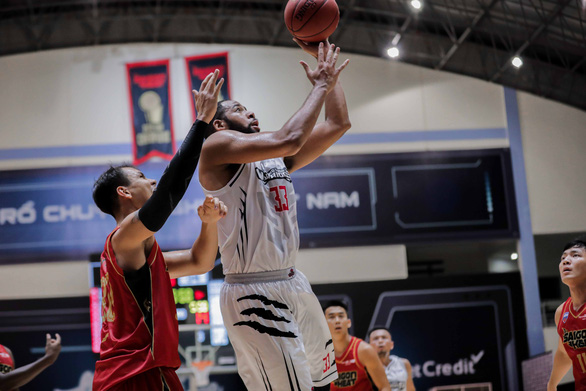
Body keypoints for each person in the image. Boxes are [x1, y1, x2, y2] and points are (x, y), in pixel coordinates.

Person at [198, 41, 350, 390]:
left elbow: (338, 122)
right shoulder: (215, 148)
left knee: (325, 381)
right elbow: (291, 136)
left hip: (293, 280)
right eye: (239, 109)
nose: (250, 113)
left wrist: (323, 66)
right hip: (252, 293)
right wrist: (321, 84)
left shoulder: (274, 156)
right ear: (219, 123)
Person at [91, 70, 227, 391]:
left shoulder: (140, 257)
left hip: (146, 371)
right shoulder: (122, 238)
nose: (151, 180)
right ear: (124, 193)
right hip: (132, 374)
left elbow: (200, 262)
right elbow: (166, 194)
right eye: (141, 177)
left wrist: (208, 224)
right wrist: (201, 123)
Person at [324, 301, 391, 391]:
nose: (337, 321)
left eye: (341, 316)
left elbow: (385, 387)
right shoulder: (321, 354)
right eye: (331, 317)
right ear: (324, 324)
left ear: (348, 322)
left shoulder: (364, 350)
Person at [548, 239, 586, 391]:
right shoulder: (561, 312)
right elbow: (564, 354)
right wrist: (551, 385)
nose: (566, 261)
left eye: (575, 255)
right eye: (563, 258)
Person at [367, 327, 415, 391]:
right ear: (369, 346)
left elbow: (410, 389)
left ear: (391, 345)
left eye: (384, 337)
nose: (380, 341)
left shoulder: (404, 363)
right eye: (376, 339)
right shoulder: (366, 367)